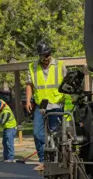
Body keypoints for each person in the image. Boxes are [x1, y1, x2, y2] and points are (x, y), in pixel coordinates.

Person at [26, 40, 67, 171]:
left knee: (55, 133)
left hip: (56, 105)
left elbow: (67, 85)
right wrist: (28, 101)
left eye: (48, 54)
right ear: (40, 55)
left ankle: (55, 159)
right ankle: (43, 160)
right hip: (41, 105)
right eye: (44, 55)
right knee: (37, 133)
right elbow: (29, 85)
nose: (47, 57)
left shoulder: (60, 66)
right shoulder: (33, 67)